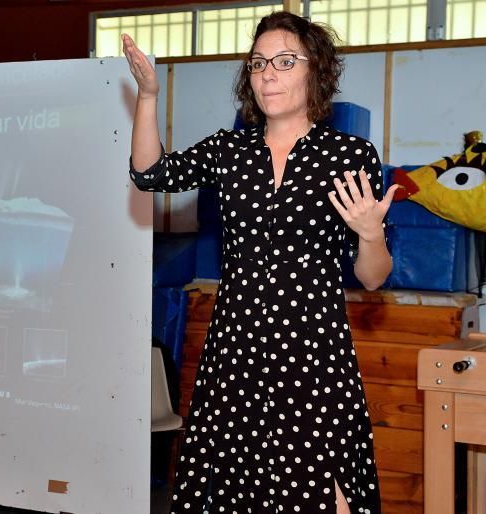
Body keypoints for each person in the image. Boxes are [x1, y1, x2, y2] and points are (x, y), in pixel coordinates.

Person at [123, 11, 399, 514]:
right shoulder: (230, 150)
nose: (268, 72)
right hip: (236, 351)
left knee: (326, 495)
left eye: (285, 60)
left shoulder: (348, 154)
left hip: (312, 355)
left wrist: (370, 233)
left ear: (315, 70)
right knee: (231, 493)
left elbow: (373, 277)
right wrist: (147, 96)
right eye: (258, 63)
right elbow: (150, 175)